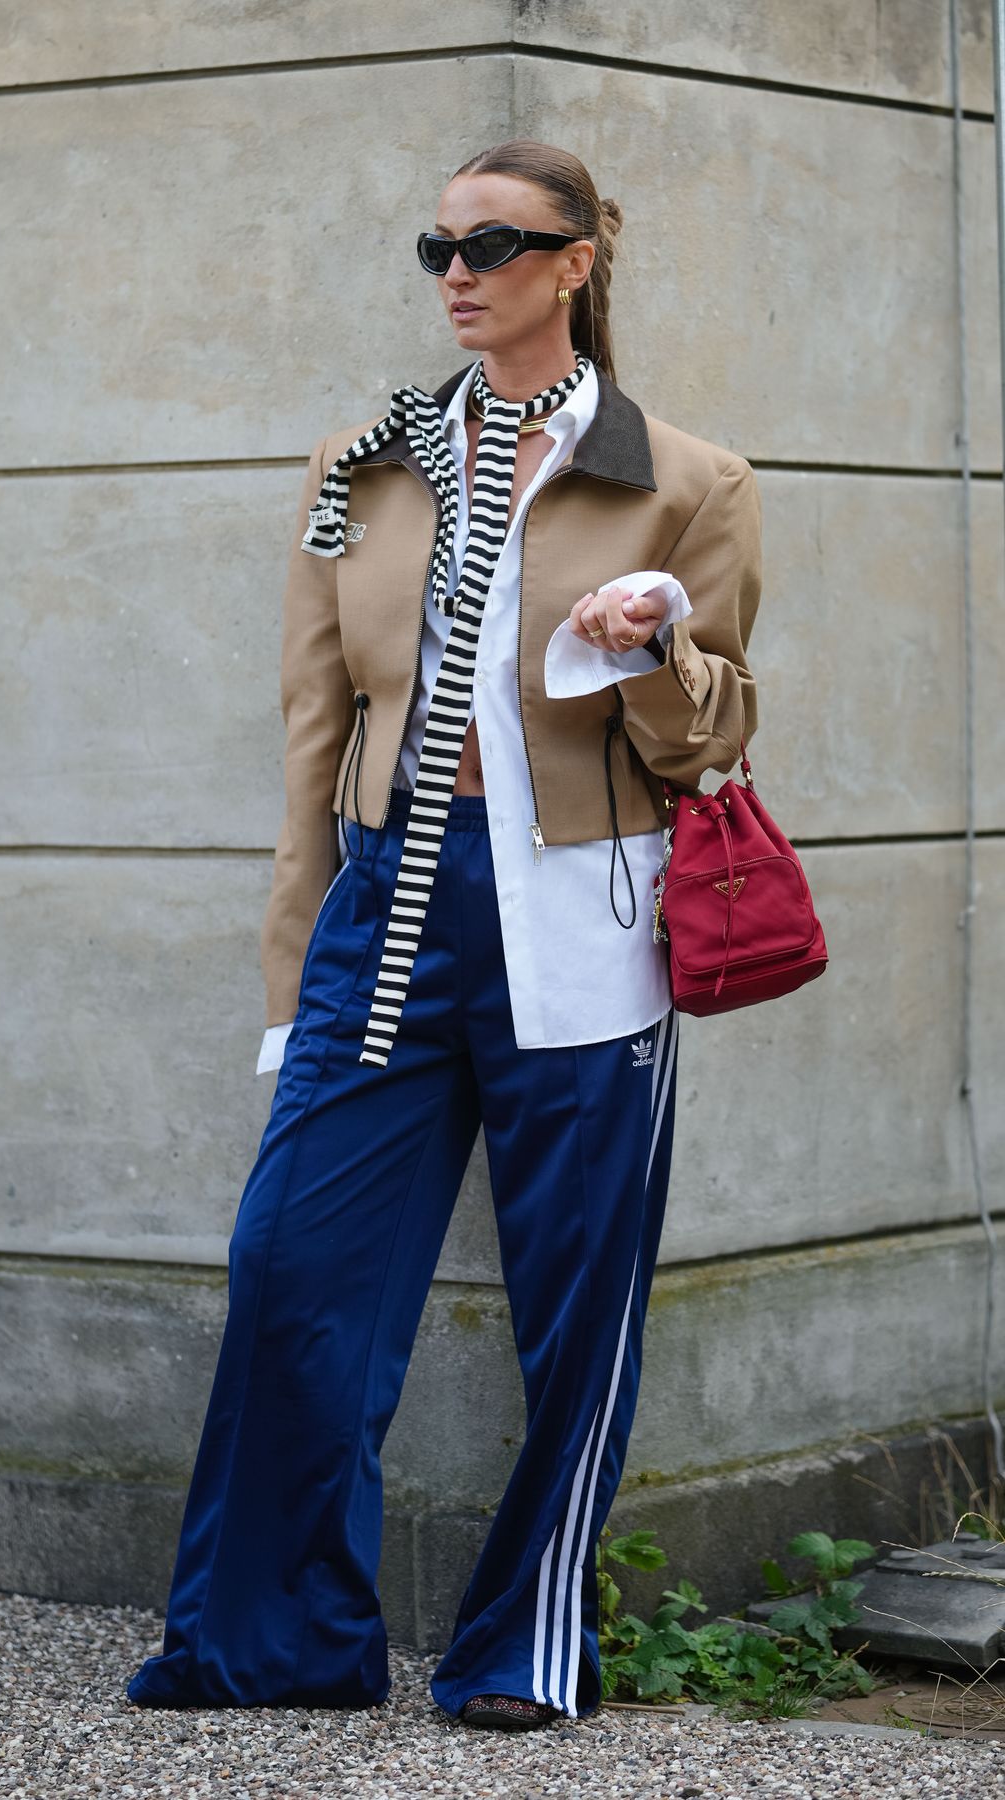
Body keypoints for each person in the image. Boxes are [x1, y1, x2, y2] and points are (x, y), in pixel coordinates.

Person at [127, 138, 761, 1732]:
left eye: (492, 243)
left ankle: (524, 1649)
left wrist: (650, 645)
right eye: (438, 248)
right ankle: (273, 1643)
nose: (456, 272)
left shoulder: (682, 480)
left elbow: (716, 737)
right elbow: (311, 732)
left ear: (577, 261)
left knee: (579, 1310)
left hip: (582, 923)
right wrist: (296, 969)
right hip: (388, 905)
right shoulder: (371, 463)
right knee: (292, 1268)